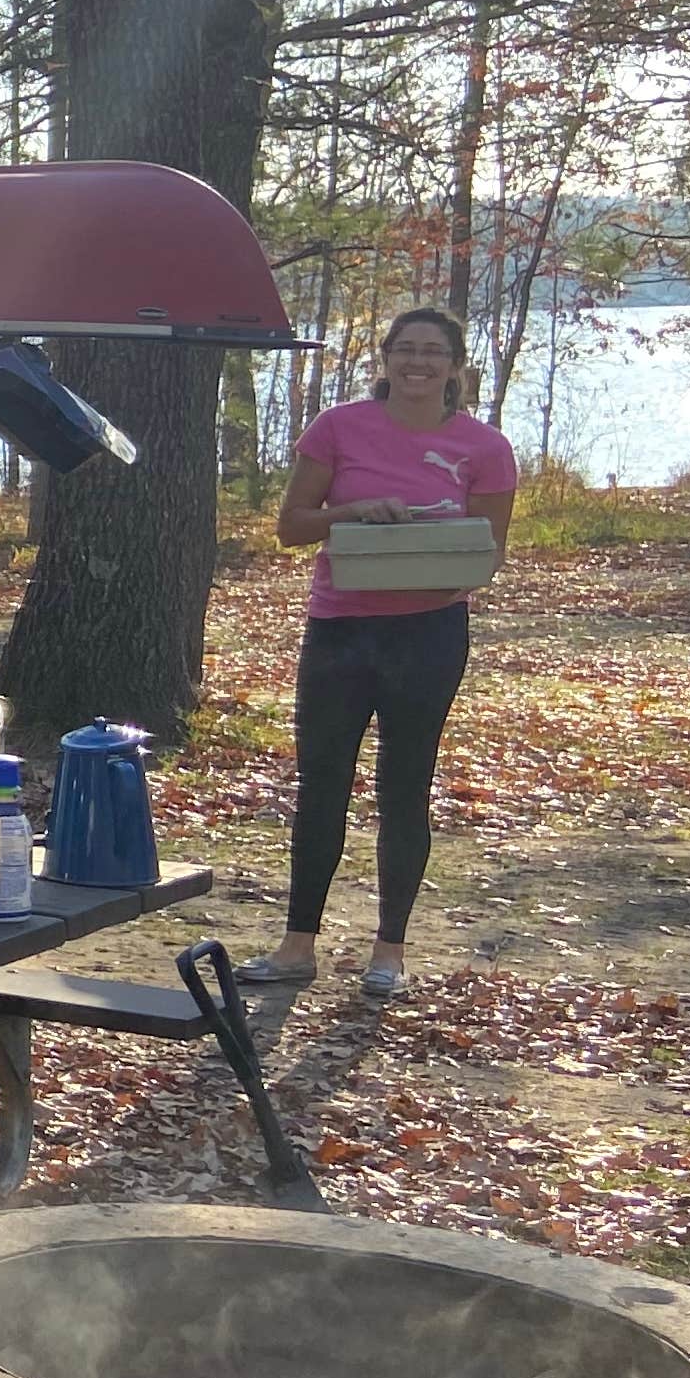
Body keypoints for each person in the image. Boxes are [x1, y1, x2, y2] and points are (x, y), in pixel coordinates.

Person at [250, 307, 516, 998]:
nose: (418, 363)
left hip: (428, 634)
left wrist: (428, 554)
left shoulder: (485, 447)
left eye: (433, 352)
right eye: (405, 350)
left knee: (405, 789)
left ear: (455, 367)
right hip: (340, 628)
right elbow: (290, 527)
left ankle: (389, 950)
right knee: (322, 787)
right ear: (386, 358)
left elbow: (487, 557)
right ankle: (296, 944)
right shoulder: (337, 428)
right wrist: (354, 514)